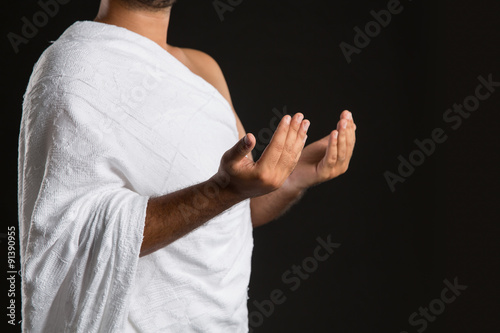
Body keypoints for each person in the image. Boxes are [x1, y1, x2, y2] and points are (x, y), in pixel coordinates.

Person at [17, 0, 356, 331]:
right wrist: (224, 191)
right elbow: (68, 235)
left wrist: (294, 177)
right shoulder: (73, 68)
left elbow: (237, 213)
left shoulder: (203, 67)